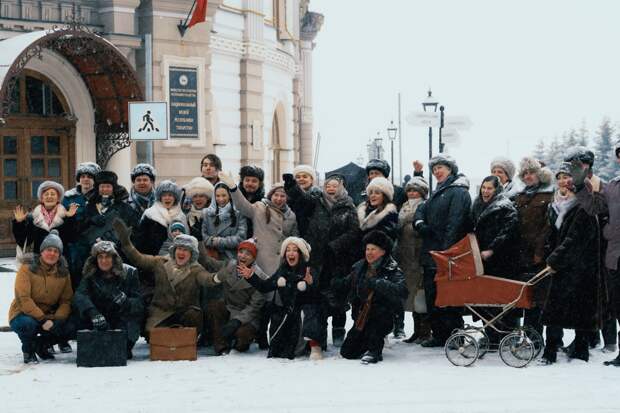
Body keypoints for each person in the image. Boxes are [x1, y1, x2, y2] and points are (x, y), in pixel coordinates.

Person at [220, 172, 299, 349]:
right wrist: (233, 188)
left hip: (281, 263)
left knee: (277, 302)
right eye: (276, 195)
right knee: (263, 299)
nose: (279, 198)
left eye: (283, 195)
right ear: (271, 195)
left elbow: (294, 236)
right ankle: (260, 334)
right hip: (263, 260)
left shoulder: (291, 215)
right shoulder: (260, 208)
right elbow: (242, 206)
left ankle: (275, 336)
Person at [283, 173, 361, 347]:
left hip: (338, 260)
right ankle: (320, 335)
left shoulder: (348, 206)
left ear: (341, 188)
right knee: (319, 298)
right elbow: (300, 198)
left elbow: (353, 231)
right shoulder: (316, 202)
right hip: (317, 259)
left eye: (335, 185)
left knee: (338, 297)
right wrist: (291, 185)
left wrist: (335, 246)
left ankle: (339, 330)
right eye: (328, 186)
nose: (331, 189)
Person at [540, 162, 603, 364]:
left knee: (579, 310)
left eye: (566, 177)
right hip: (562, 264)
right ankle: (552, 349)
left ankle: (579, 350)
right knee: (555, 310)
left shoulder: (584, 205)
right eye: (559, 177)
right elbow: (553, 235)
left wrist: (555, 260)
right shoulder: (556, 204)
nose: (562, 181)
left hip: (580, 266)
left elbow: (574, 239)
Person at [113, 219, 218, 336]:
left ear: (192, 254)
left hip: (185, 313)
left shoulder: (196, 269)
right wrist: (126, 243)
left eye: (185, 250)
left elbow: (208, 279)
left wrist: (219, 277)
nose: (181, 252)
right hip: (161, 313)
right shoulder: (159, 262)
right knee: (155, 334)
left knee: (194, 315)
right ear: (174, 250)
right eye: (179, 249)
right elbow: (139, 259)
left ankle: (188, 340)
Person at [414, 154, 471, 347]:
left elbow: (455, 224)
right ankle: (439, 334)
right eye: (434, 169)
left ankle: (455, 336)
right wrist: (420, 221)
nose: (437, 171)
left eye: (441, 168)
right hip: (432, 254)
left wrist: (446, 252)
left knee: (449, 297)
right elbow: (422, 208)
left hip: (446, 255)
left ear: (451, 169)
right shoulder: (439, 191)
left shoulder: (458, 192)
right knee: (433, 296)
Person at [571, 142, 620, 366]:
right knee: (617, 305)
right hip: (615, 255)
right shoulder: (613, 186)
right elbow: (595, 208)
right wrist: (580, 186)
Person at [564, 146, 613, 352]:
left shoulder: (600, 185)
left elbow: (594, 209)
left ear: (586, 165)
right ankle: (589, 337)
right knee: (587, 297)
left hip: (602, 248)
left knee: (604, 297)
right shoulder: (576, 183)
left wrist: (579, 188)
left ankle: (609, 341)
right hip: (584, 249)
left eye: (577, 164)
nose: (574, 169)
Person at [242, 237, 321, 360]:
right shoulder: (282, 270)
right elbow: (265, 286)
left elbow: (316, 295)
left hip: (304, 316)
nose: (291, 253)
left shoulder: (308, 270)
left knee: (294, 350)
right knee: (278, 351)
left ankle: (314, 346)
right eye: (288, 250)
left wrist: (310, 284)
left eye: (295, 250)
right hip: (287, 314)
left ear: (300, 253)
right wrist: (251, 276)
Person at [336, 230, 408, 364]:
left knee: (377, 323)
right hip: (362, 315)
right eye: (367, 249)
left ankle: (375, 351)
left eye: (373, 249)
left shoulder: (392, 268)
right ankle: (367, 341)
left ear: (383, 251)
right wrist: (334, 283)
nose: (369, 252)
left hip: (384, 315)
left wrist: (378, 283)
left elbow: (403, 291)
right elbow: (345, 283)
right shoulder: (359, 267)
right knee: (347, 352)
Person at [9, 231, 74, 363]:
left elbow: (66, 300)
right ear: (42, 251)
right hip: (22, 313)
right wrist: (43, 320)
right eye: (49, 250)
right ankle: (28, 349)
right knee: (28, 324)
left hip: (49, 315)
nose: (52, 254)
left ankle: (41, 345)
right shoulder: (27, 268)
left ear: (59, 254)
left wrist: (58, 320)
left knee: (70, 325)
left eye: (56, 251)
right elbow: (23, 298)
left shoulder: (63, 273)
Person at [72, 240, 144, 358]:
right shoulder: (89, 274)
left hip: (121, 318)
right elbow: (80, 295)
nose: (104, 261)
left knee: (122, 348)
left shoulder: (130, 273)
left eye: (108, 257)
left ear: (114, 258)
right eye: (100, 257)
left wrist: (125, 301)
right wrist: (93, 313)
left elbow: (139, 304)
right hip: (98, 319)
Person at [470, 175, 519, 346]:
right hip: (481, 258)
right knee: (485, 299)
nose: (485, 191)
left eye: (489, 188)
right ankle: (490, 334)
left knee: (500, 299)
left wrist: (492, 249)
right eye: (483, 187)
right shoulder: (476, 205)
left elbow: (508, 232)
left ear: (497, 189)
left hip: (501, 259)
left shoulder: (506, 207)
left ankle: (505, 335)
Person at [198, 239, 266, 354]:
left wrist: (237, 321)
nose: (243, 256)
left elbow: (254, 308)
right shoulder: (229, 265)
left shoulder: (260, 277)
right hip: (229, 308)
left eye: (248, 254)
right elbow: (208, 262)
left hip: (247, 316)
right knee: (214, 306)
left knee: (243, 335)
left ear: (254, 258)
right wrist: (199, 241)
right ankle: (221, 347)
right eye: (241, 252)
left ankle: (238, 346)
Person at [513, 157, 554, 338]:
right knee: (526, 297)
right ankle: (527, 338)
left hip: (540, 254)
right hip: (521, 254)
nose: (528, 177)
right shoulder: (521, 195)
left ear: (539, 174)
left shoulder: (549, 194)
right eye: (525, 174)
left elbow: (548, 226)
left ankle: (537, 339)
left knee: (539, 300)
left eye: (531, 173)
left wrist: (540, 251)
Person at [398, 177, 431, 344]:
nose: (411, 193)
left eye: (415, 190)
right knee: (412, 295)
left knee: (421, 294)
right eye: (409, 190)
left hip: (419, 255)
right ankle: (417, 330)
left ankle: (425, 330)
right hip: (405, 256)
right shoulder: (403, 207)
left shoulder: (425, 206)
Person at [12, 180, 78, 254]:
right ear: (42, 199)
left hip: (61, 260)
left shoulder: (66, 215)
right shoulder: (32, 218)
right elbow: (22, 242)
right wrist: (19, 223)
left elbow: (72, 239)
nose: (49, 196)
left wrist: (70, 218)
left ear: (58, 199)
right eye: (46, 194)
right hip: (39, 260)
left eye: (52, 194)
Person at [63, 162, 101, 288]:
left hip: (95, 242)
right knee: (76, 277)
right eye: (82, 176)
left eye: (89, 176)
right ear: (78, 178)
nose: (85, 179)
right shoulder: (69, 197)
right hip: (74, 245)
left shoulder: (101, 197)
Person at [133, 180, 188, 256]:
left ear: (175, 198)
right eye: (164, 195)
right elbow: (140, 241)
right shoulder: (149, 214)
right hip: (152, 260)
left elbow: (187, 240)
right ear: (160, 197)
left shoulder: (182, 216)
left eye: (170, 195)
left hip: (177, 259)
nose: (167, 198)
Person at [202, 182, 248, 260]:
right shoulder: (207, 213)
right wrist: (212, 241)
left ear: (229, 195)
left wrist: (219, 241)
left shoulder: (238, 213)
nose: (221, 199)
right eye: (218, 196)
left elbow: (241, 238)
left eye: (224, 195)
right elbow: (204, 236)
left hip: (231, 257)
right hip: (212, 256)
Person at [284, 165, 322, 237]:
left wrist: (294, 190)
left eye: (305, 177)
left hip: (311, 235)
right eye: (298, 177)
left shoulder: (317, 194)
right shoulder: (289, 195)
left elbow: (307, 202)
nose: (301, 179)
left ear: (311, 180)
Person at [357, 176, 398, 241]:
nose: (373, 195)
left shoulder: (389, 215)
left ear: (385, 196)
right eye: (371, 193)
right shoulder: (364, 212)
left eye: (377, 193)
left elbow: (386, 240)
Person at [183, 177, 214, 241]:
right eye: (195, 196)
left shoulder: (213, 214)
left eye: (201, 196)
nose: (198, 199)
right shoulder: (186, 216)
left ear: (207, 197)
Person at [238, 165, 266, 237]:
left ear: (259, 184)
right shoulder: (234, 199)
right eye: (247, 180)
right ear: (242, 181)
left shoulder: (264, 202)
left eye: (254, 181)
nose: (250, 183)